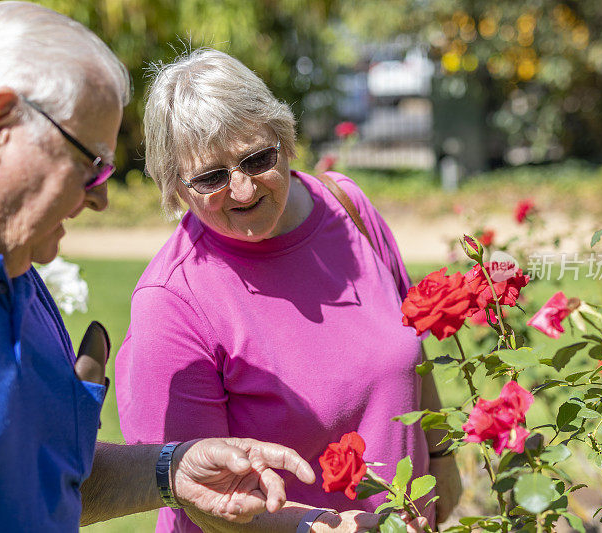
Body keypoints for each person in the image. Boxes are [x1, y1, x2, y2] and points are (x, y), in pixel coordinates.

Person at [0, 3, 317, 531]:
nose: (99, 200)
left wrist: (169, 470)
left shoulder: (13, 270)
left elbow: (45, 480)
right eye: (90, 166)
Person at [115, 48, 462, 532]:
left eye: (257, 159)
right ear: (175, 186)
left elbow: (412, 346)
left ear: (283, 137)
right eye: (211, 177)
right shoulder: (172, 300)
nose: (242, 190)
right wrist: (315, 527)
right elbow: (197, 499)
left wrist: (443, 456)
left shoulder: (346, 207)